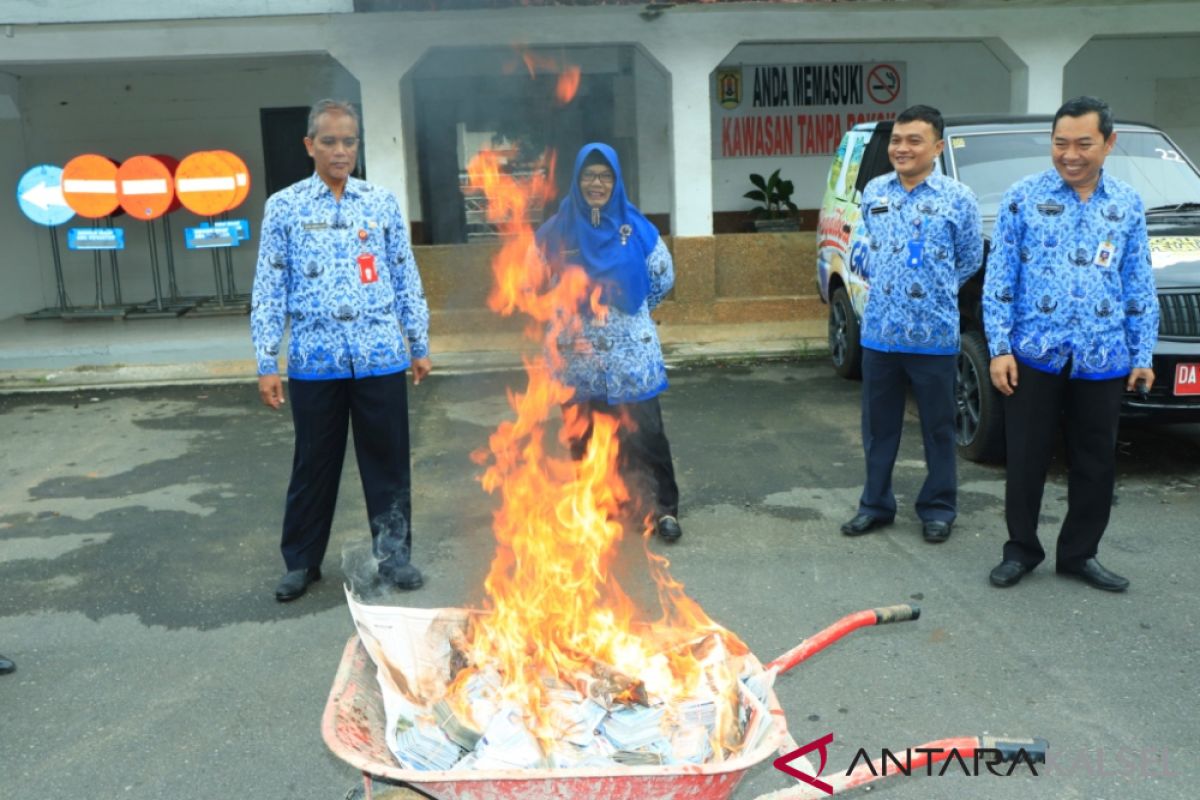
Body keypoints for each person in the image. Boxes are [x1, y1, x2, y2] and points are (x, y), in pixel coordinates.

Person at [251, 98, 432, 601]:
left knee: (388, 462)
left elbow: (404, 275)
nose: (340, 150)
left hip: (379, 354)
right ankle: (302, 562)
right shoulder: (284, 207)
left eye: (348, 141)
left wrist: (418, 341)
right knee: (313, 465)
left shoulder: (380, 203)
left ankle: (394, 556)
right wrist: (268, 360)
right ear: (309, 145)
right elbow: (269, 286)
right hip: (315, 359)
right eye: (328, 141)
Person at [984, 96, 1159, 592]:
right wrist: (999, 347)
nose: (1070, 154)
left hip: (1102, 355)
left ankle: (1080, 554)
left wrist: (1141, 352)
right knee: (1026, 457)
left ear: (1108, 143)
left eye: (1084, 143)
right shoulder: (1023, 197)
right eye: (1061, 143)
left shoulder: (1126, 204)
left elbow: (1137, 281)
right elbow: (1001, 278)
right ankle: (1021, 550)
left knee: (1095, 459)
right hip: (1034, 353)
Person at [840, 105, 983, 543]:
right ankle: (875, 505)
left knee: (939, 429)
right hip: (880, 333)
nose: (902, 148)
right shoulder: (875, 191)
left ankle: (938, 508)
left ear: (937, 147)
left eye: (914, 140)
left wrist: (930, 292)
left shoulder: (958, 198)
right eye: (897, 140)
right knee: (878, 428)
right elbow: (871, 246)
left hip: (935, 336)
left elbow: (969, 259)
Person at [535, 143, 683, 542]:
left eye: (605, 176)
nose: (596, 183)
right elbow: (532, 281)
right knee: (584, 433)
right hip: (577, 354)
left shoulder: (636, 228)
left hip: (630, 353)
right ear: (577, 180)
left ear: (616, 182)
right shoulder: (557, 229)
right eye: (589, 175)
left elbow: (662, 277)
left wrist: (630, 314)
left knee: (645, 432)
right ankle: (600, 508)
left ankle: (662, 509)